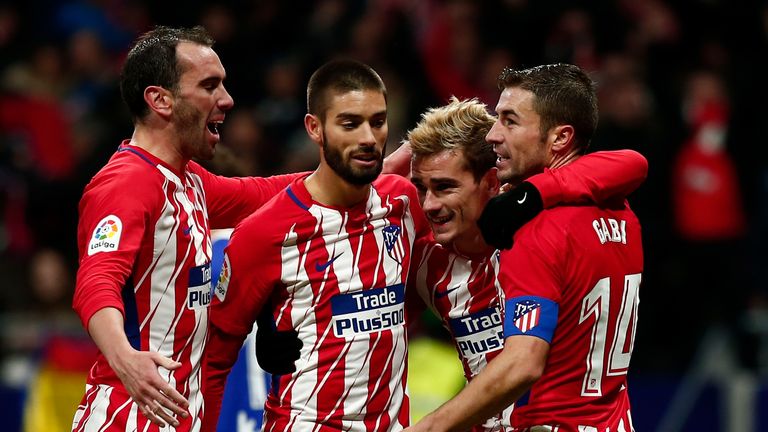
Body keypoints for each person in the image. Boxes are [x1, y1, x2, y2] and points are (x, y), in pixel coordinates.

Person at [70, 26, 299, 431]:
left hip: (176, 416)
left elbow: (269, 192)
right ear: (160, 100)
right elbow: (96, 280)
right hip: (130, 416)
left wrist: (378, 168)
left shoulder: (188, 180)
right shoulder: (126, 182)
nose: (226, 100)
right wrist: (126, 360)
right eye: (209, 85)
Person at [406, 63, 644, 431]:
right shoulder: (618, 209)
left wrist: (429, 427)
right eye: (423, 188)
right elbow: (632, 163)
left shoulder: (534, 229)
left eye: (510, 121)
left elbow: (523, 362)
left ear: (490, 183)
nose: (494, 135)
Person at [201, 59, 432, 431]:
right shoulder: (263, 233)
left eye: (377, 121)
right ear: (315, 128)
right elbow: (214, 361)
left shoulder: (402, 202)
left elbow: (425, 291)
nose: (369, 138)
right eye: (350, 123)